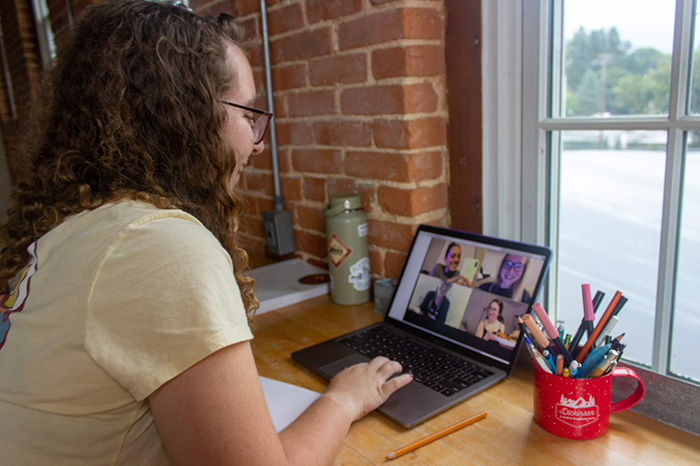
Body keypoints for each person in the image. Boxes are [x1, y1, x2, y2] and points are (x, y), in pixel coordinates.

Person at [0, 2, 412, 465]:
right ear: (187, 117)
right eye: (248, 114)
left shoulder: (78, 226)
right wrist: (343, 400)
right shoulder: (158, 245)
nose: (258, 142)